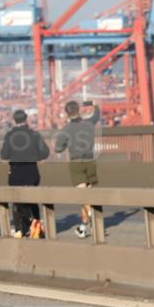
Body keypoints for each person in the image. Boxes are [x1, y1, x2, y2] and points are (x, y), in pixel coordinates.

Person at [54, 100, 101, 239]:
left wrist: (65, 146)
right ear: (78, 110)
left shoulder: (66, 129)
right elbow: (96, 115)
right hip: (90, 161)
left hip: (76, 163)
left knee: (83, 196)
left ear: (67, 113)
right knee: (88, 195)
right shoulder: (89, 123)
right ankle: (84, 227)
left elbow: (58, 148)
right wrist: (94, 104)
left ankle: (93, 216)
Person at [0, 110, 50, 238]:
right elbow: (45, 152)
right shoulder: (34, 134)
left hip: (16, 171)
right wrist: (35, 156)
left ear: (14, 120)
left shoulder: (10, 135)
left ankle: (19, 229)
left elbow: (4, 155)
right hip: (32, 171)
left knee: (17, 200)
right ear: (26, 119)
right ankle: (37, 226)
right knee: (32, 199)